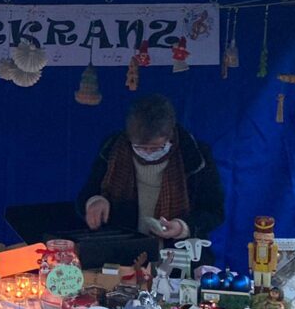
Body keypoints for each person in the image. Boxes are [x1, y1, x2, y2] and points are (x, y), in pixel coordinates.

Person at [76, 95, 224, 245]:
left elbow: (214, 211)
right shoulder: (112, 150)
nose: (147, 153)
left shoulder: (195, 156)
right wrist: (95, 201)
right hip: (122, 251)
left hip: (178, 255)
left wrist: (182, 227)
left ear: (170, 136)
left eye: (156, 148)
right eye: (139, 147)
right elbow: (86, 194)